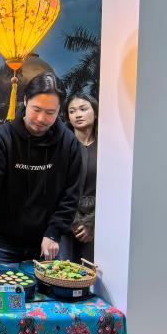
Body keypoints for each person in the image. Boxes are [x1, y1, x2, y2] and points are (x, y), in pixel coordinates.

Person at [0, 72, 83, 264]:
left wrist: (54, 232)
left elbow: (71, 195)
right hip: (2, 243)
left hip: (46, 244)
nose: (41, 118)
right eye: (36, 109)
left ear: (59, 110)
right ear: (25, 101)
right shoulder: (2, 139)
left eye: (50, 113)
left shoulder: (69, 143)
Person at [62, 92, 98, 263]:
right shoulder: (62, 147)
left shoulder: (109, 146)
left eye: (83, 109)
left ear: (95, 112)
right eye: (72, 111)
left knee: (95, 272)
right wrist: (75, 222)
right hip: (65, 219)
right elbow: (54, 188)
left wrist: (93, 221)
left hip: (99, 219)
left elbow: (117, 190)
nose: (77, 114)